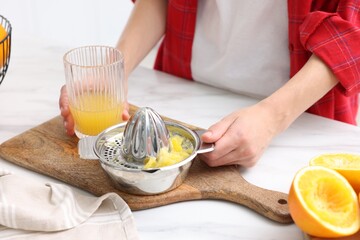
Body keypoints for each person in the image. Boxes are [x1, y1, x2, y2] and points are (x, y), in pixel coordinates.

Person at [59, 0, 360, 168]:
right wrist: (114, 73)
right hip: (183, 91)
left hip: (299, 116)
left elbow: (351, 34)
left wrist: (271, 117)